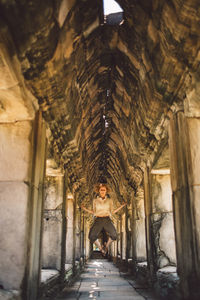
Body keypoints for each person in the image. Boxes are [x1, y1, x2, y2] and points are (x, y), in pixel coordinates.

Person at [81, 183, 127, 255]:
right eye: (101, 190)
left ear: (106, 191)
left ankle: (106, 246)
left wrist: (121, 206)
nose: (102, 191)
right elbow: (94, 212)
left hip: (107, 219)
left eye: (104, 190)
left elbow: (112, 211)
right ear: (99, 191)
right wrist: (85, 209)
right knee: (91, 236)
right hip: (98, 219)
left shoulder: (110, 200)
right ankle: (100, 247)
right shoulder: (95, 201)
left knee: (114, 235)